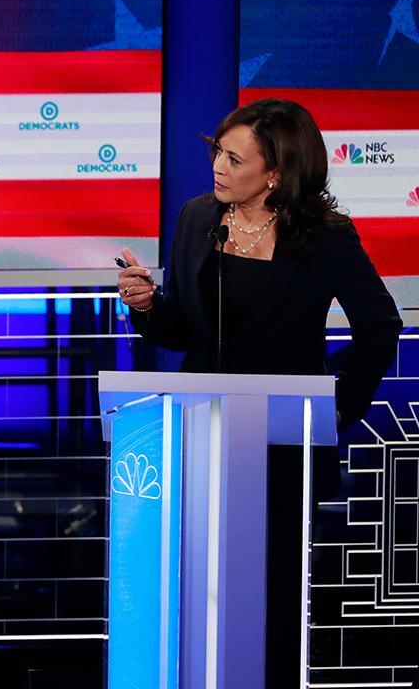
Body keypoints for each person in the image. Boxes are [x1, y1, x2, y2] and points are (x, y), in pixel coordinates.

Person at [117, 98, 401, 687]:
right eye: (217, 152)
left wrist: (336, 406)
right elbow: (185, 329)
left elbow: (380, 326)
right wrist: (146, 307)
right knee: (191, 588)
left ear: (275, 171)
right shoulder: (198, 218)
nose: (217, 167)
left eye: (234, 158)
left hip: (283, 444)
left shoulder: (324, 236)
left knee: (272, 595)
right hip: (197, 434)